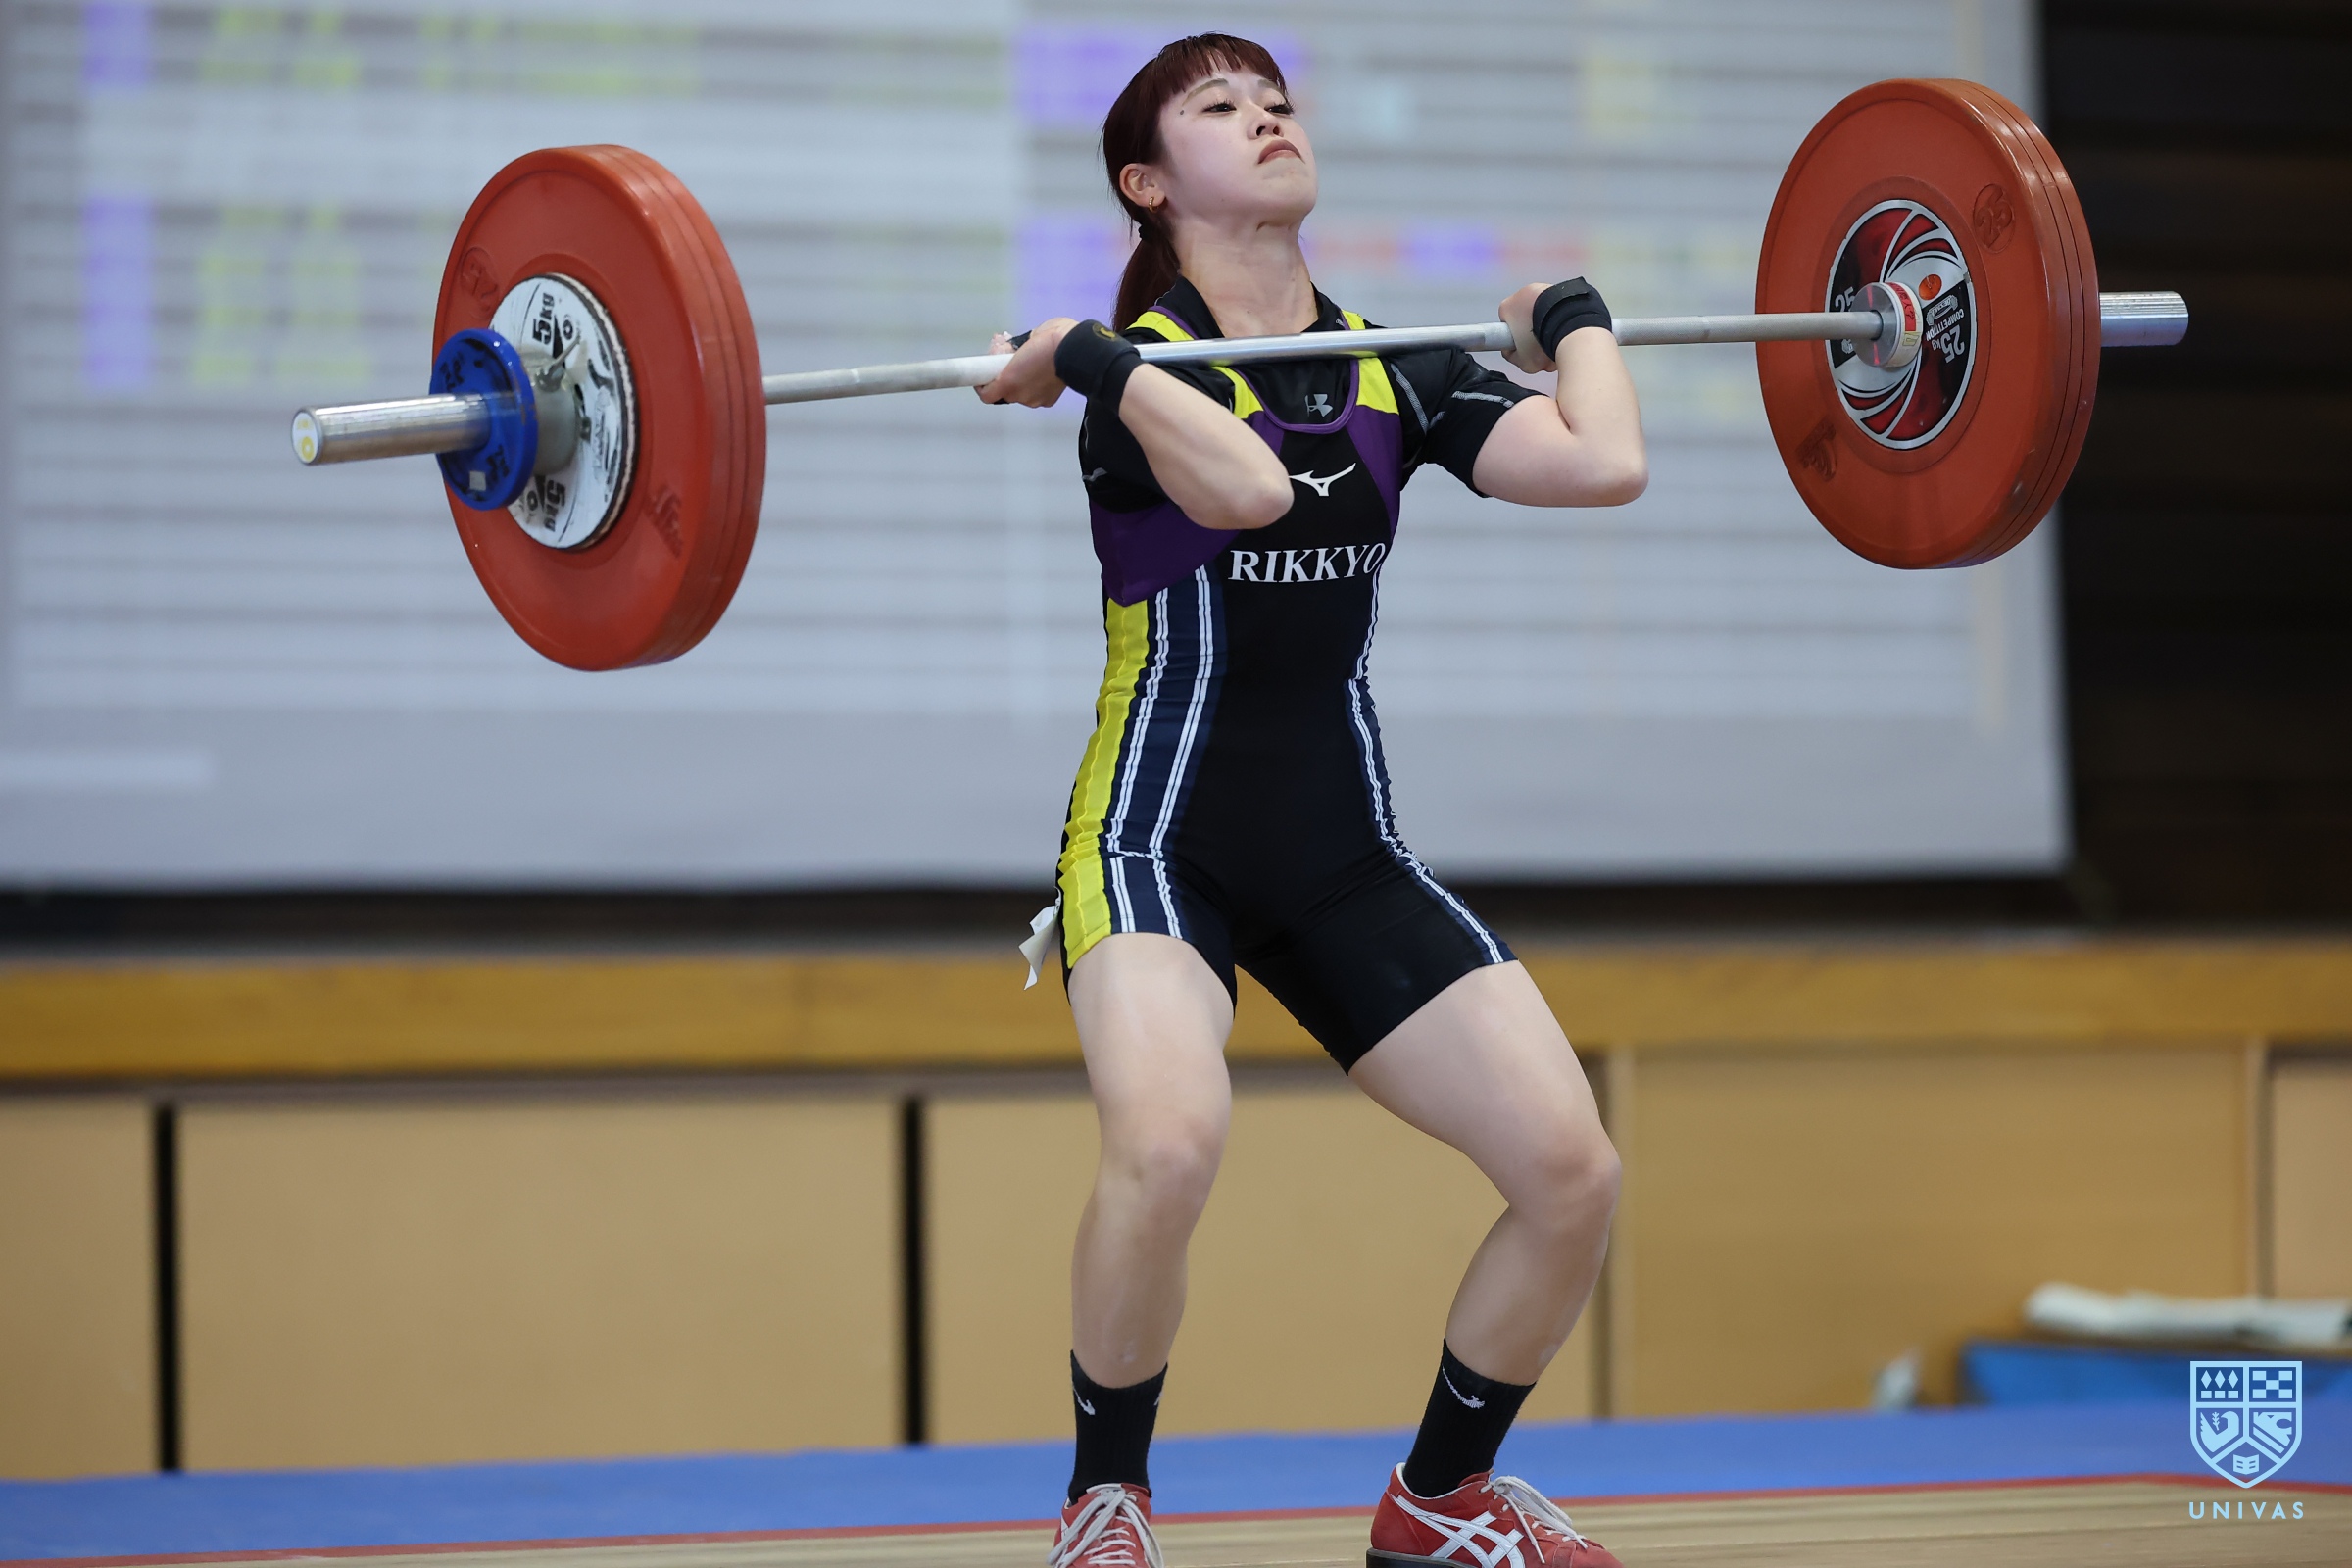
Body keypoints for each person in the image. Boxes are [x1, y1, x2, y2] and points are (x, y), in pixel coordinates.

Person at [979, 33, 1642, 1568]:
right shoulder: (1140, 378)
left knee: (1572, 1174)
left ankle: (1439, 1503)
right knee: (1168, 1147)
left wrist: (1572, 317)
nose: (1268, 117)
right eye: (1220, 107)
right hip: (1155, 840)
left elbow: (1603, 461)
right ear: (1147, 183)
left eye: (1276, 98)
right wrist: (1097, 357)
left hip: (1341, 853)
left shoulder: (1397, 363)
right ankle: (1106, 1502)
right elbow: (1250, 491)